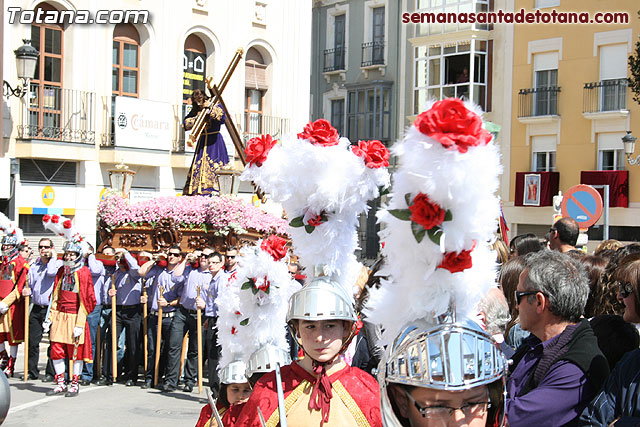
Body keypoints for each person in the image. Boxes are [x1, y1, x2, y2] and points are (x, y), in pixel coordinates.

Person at [236, 273, 382, 426]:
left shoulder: (366, 387)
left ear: (345, 328)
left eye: (330, 326)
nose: (319, 337)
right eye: (310, 326)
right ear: (297, 329)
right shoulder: (271, 385)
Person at [506, 250, 609, 425]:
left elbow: (513, 418)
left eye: (518, 296)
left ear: (539, 302)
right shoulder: (538, 342)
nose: (516, 305)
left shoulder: (576, 368)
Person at [578, 253, 640, 425]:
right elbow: (591, 420)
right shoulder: (630, 363)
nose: (619, 297)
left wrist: (623, 423)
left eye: (626, 289)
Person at [45, 240, 96, 397]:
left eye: (71, 254)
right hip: (60, 315)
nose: (68, 256)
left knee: (75, 352)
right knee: (57, 350)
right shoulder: (61, 271)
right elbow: (55, 295)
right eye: (66, 254)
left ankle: (74, 383)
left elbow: (87, 299)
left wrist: (80, 323)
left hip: (75, 316)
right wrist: (50, 318)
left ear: (78, 255)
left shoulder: (84, 272)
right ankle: (60, 382)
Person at [159, 247, 214, 392]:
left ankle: (190, 380)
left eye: (206, 256)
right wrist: (186, 260)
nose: (203, 258)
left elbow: (217, 297)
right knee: (174, 344)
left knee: (195, 349)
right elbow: (175, 276)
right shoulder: (190, 270)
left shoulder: (213, 275)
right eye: (202, 255)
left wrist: (206, 305)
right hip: (183, 312)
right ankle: (171, 380)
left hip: (200, 315)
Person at [139, 246, 182, 389]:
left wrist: (169, 302)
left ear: (179, 257)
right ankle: (150, 377)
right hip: (154, 315)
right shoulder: (158, 270)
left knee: (168, 349)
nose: (171, 257)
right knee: (152, 348)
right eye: (169, 254)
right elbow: (142, 272)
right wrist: (154, 259)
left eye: (175, 255)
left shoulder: (179, 275)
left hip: (170, 316)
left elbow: (181, 298)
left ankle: (165, 377)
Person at [24, 238, 62, 381]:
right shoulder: (34, 265)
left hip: (51, 309)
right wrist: (25, 290)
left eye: (46, 247)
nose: (43, 249)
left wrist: (52, 257)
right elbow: (30, 284)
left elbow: (52, 273)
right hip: (36, 307)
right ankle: (31, 371)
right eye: (41, 247)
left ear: (52, 248)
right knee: (32, 342)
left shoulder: (57, 264)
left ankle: (50, 373)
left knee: (52, 342)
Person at [106, 247, 143, 386]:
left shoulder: (133, 273)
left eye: (122, 259)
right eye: (118, 259)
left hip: (133, 311)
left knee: (133, 344)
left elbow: (136, 268)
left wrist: (126, 253)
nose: (120, 261)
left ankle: (131, 375)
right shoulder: (115, 274)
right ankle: (110, 374)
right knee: (112, 341)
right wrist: (110, 294)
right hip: (118, 310)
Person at [183, 89, 229, 196]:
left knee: (215, 166)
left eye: (200, 99)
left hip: (215, 142)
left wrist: (210, 108)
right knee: (197, 170)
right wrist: (197, 118)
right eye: (196, 101)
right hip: (202, 141)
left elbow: (222, 117)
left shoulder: (214, 103)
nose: (198, 102)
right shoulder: (197, 109)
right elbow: (186, 123)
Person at [0, 230, 29, 377]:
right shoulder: (1, 261)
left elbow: (20, 286)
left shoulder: (21, 263)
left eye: (8, 246)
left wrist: (6, 302)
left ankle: (11, 363)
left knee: (12, 337)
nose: (5, 248)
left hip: (12, 304)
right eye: (4, 245)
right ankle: (4, 357)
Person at [79, 243, 108, 386]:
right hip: (76, 304)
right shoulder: (77, 263)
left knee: (89, 341)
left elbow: (95, 271)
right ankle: (72, 372)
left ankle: (87, 373)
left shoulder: (97, 263)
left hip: (92, 306)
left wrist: (90, 255)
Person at [195, 361, 253, 427]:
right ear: (225, 390)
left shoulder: (256, 415)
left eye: (246, 391)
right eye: (235, 390)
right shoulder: (210, 411)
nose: (240, 396)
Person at [204, 251, 226, 394]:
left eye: (215, 262)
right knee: (212, 352)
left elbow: (222, 302)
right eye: (209, 262)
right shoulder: (213, 279)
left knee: (215, 353)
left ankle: (217, 387)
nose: (211, 265)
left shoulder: (221, 279)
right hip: (212, 317)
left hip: (220, 318)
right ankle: (215, 386)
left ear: (221, 263)